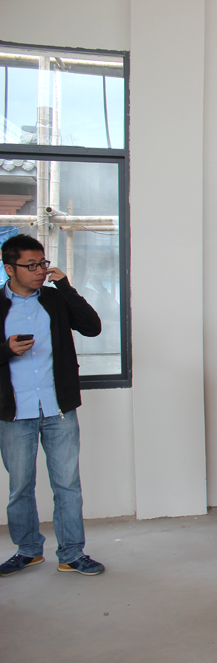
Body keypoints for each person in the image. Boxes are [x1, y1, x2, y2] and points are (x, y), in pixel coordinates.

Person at [0, 234, 104, 578]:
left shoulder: (55, 299)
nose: (39, 271)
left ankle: (72, 554)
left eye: (42, 263)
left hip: (58, 409)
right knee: (20, 487)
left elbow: (92, 327)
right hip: (15, 413)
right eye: (30, 265)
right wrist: (6, 350)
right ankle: (28, 550)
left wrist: (66, 287)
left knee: (68, 485)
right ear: (9, 268)